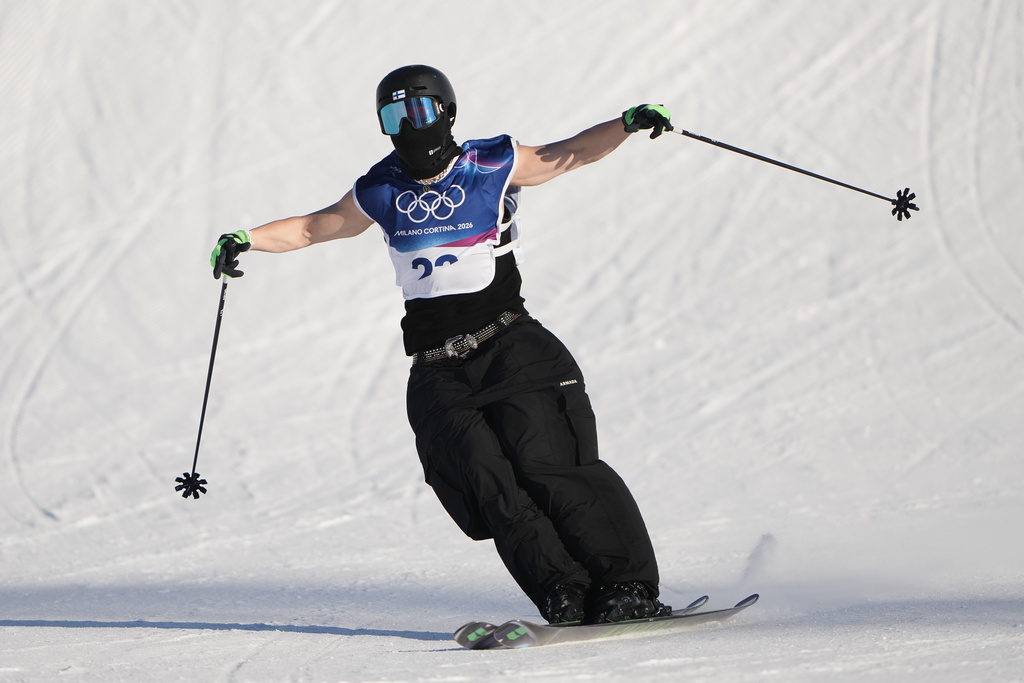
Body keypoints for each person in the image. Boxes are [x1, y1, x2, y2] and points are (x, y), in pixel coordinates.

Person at [210, 65, 675, 624]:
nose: (408, 125)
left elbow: (566, 154)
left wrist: (626, 124)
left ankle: (626, 587)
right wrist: (248, 239)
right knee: (488, 485)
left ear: (446, 112)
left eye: (420, 112)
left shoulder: (491, 163)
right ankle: (563, 591)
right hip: (437, 371)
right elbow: (316, 226)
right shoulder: (380, 189)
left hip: (510, 346)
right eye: (393, 115)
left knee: (548, 464)